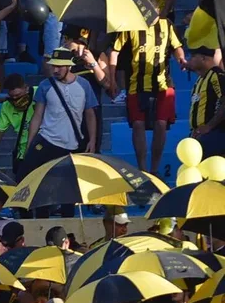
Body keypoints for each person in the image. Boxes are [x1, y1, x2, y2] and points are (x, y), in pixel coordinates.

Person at [109, 17, 186, 172]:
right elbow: (115, 52)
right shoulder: (130, 25)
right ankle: (143, 170)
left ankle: (154, 170)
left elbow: (177, 46)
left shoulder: (167, 24)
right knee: (138, 125)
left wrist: (181, 59)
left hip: (163, 83)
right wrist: (112, 79)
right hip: (136, 84)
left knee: (161, 124)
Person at [20, 49, 98, 182]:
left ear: (69, 66)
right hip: (46, 140)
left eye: (59, 66)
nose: (55, 70)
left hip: (72, 145)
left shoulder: (84, 85)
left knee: (67, 187)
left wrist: (92, 140)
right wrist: (30, 143)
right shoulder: (45, 85)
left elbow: (90, 114)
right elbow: (37, 115)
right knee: (27, 179)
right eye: (53, 66)